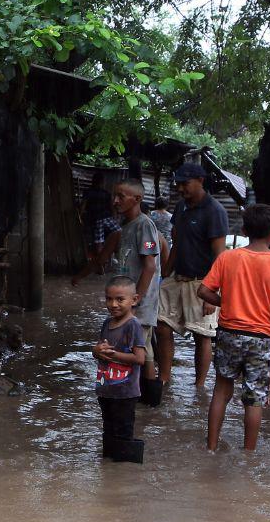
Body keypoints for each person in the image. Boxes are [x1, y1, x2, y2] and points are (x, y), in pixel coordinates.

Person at [197, 204, 270, 451]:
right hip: (261, 338)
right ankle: (249, 455)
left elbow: (204, 291)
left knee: (221, 391)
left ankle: (211, 448)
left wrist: (227, 301)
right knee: (254, 400)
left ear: (243, 230)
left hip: (229, 333)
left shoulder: (228, 258)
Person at [73, 179, 161, 393]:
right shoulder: (125, 227)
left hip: (137, 303)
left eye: (121, 196)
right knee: (142, 349)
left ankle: (148, 398)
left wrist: (135, 300)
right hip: (130, 301)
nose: (115, 201)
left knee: (143, 352)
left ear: (137, 199)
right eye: (115, 196)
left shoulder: (145, 225)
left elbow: (150, 266)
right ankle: (142, 401)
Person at [158, 162, 228, 390]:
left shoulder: (215, 211)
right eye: (178, 184)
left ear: (200, 181)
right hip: (177, 277)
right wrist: (164, 275)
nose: (180, 188)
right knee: (162, 325)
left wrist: (212, 293)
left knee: (202, 335)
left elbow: (220, 256)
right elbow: (176, 243)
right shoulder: (181, 207)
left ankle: (198, 386)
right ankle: (164, 378)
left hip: (202, 282)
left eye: (185, 183)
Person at [94, 275, 148, 462]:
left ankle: (123, 474)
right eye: (109, 299)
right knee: (108, 430)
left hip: (125, 392)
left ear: (134, 300)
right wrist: (96, 351)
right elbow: (100, 350)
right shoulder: (107, 323)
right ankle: (109, 471)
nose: (113, 304)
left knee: (123, 432)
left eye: (120, 299)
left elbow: (140, 358)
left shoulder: (133, 325)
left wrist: (113, 355)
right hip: (106, 388)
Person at [81, 173, 118, 274]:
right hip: (107, 219)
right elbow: (112, 208)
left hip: (96, 220)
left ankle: (101, 267)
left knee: (99, 243)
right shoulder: (106, 193)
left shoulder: (88, 192)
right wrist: (114, 219)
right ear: (102, 182)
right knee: (120, 235)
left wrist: (81, 218)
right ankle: (114, 259)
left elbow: (83, 208)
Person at [149, 196, 172, 262]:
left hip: (151, 241)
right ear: (167, 205)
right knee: (165, 261)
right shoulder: (171, 217)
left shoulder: (150, 214)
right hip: (167, 243)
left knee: (151, 260)